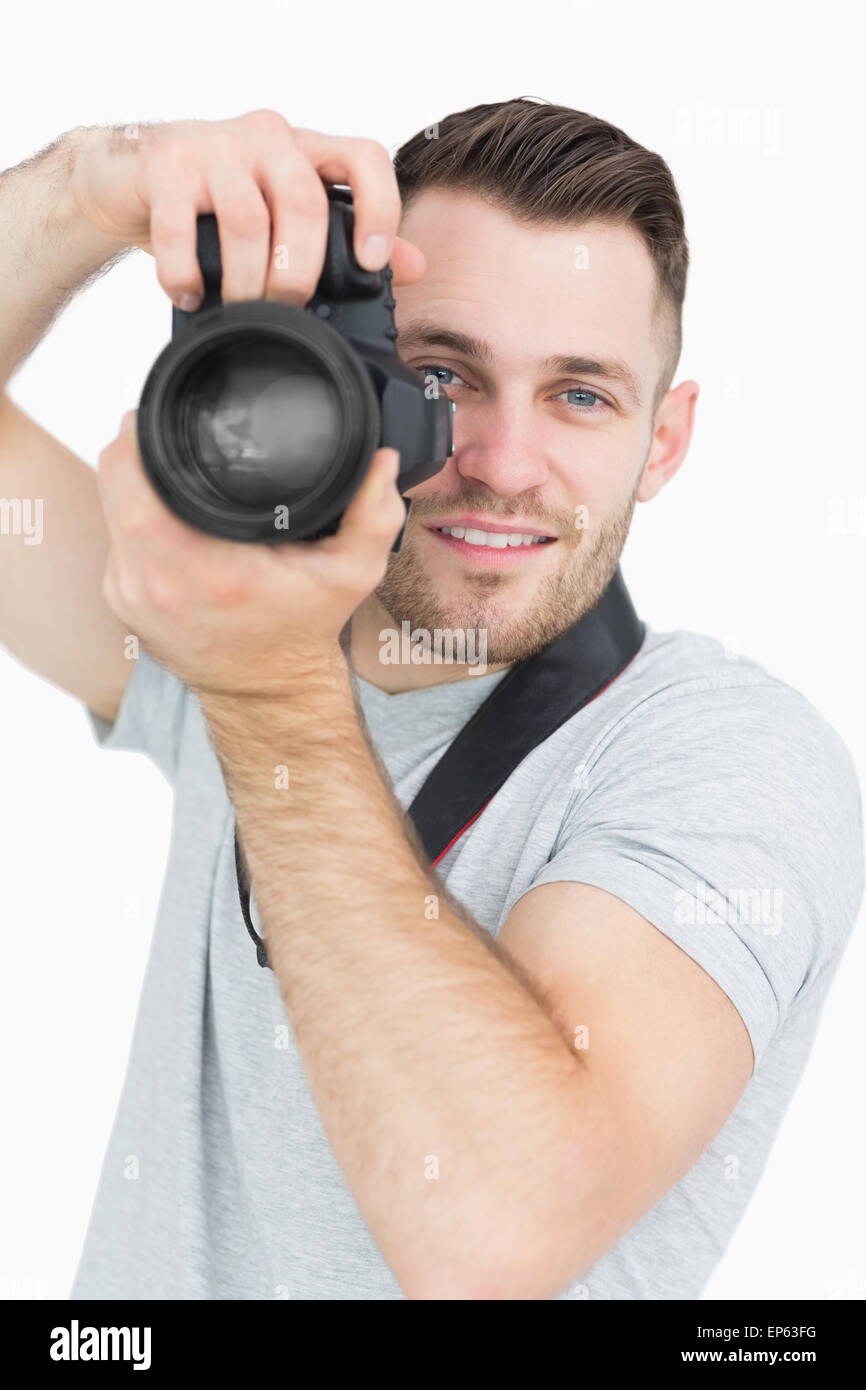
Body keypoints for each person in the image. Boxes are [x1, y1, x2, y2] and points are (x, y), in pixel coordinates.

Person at [0, 98, 861, 1301]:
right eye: (442, 373)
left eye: (578, 395)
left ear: (661, 442)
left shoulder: (725, 754)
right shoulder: (231, 630)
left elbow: (492, 1235)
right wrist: (89, 190)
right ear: (350, 384)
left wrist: (266, 686)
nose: (502, 465)